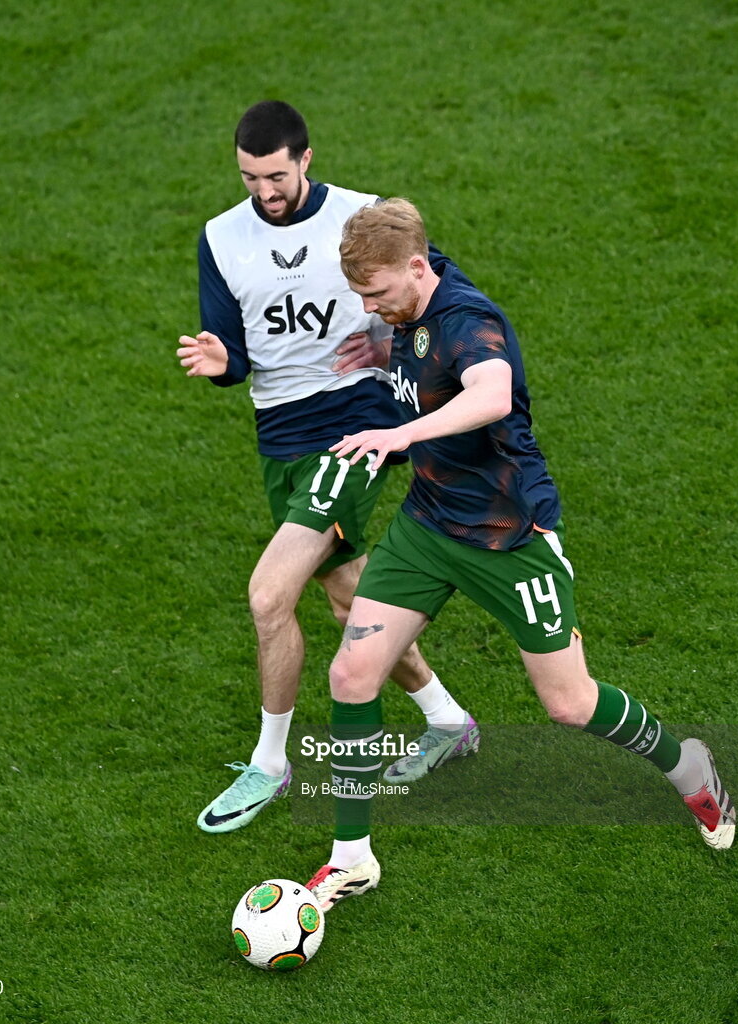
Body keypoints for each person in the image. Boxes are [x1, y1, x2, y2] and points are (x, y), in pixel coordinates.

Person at [304, 197, 736, 910]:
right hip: (429, 524)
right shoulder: (413, 299)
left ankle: (686, 763)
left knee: (569, 703)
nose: (369, 307)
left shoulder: (471, 321)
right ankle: (352, 858)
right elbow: (415, 347)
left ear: (416, 269)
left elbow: (492, 394)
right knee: (352, 673)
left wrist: (400, 436)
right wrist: (379, 353)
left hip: (510, 537)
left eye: (376, 295)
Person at [177, 103, 479, 834]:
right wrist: (223, 365)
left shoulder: (363, 219)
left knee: (267, 595)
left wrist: (388, 355)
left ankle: (270, 765)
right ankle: (449, 719)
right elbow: (237, 351)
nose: (265, 191)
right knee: (350, 601)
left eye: (276, 175)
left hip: (355, 428)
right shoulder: (221, 238)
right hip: (279, 441)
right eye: (250, 178)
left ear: (305, 159)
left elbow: (446, 303)